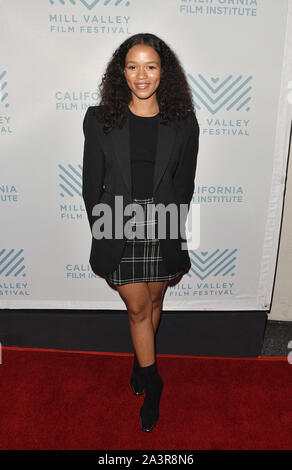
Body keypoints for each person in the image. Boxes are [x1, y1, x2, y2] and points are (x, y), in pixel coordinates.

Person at [82, 33, 200, 432]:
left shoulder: (183, 123)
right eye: (133, 66)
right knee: (137, 308)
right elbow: (90, 185)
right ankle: (154, 384)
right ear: (122, 72)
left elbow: (185, 184)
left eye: (150, 65)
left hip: (163, 221)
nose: (141, 74)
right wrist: (105, 231)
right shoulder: (100, 120)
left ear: (163, 72)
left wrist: (174, 227)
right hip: (119, 223)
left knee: (153, 300)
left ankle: (140, 360)